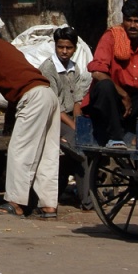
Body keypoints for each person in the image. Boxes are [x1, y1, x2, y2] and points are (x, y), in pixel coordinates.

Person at [0, 23, 60, 219]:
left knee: (19, 150)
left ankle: (15, 203)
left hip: (33, 98)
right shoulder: (9, 48)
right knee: (47, 152)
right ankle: (48, 206)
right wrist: (9, 124)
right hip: (47, 95)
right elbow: (14, 94)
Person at [85, 0, 138, 147]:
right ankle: (115, 137)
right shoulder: (111, 37)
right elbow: (97, 72)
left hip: (134, 100)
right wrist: (123, 94)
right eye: (129, 20)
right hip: (111, 100)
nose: (132, 25)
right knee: (105, 86)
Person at [39, 26, 90, 206]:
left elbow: (77, 99)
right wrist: (74, 127)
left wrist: (78, 123)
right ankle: (87, 200)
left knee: (83, 145)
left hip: (68, 116)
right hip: (52, 117)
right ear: (55, 46)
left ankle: (73, 194)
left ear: (75, 48)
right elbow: (54, 106)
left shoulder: (74, 68)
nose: (64, 51)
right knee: (81, 152)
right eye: (61, 47)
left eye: (68, 48)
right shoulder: (48, 68)